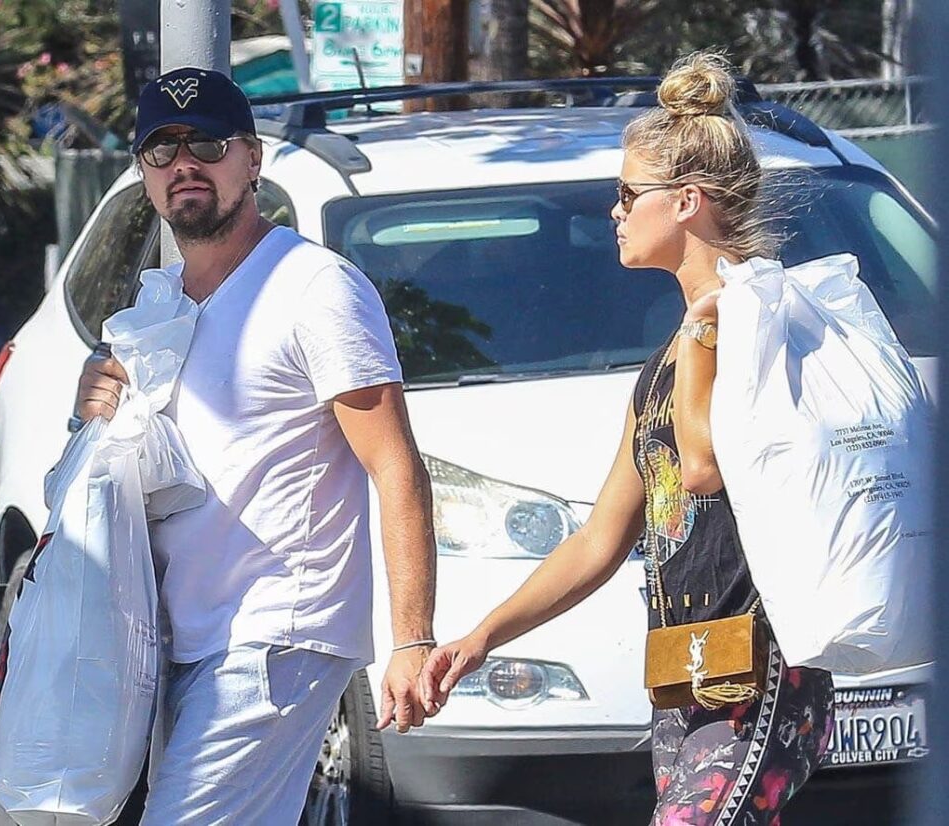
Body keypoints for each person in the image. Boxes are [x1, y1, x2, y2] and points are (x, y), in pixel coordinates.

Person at [421, 52, 834, 825]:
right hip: (686, 675)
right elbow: (599, 540)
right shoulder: (668, 361)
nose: (614, 211)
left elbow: (704, 467)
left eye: (627, 194)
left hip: (761, 675)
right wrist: (481, 637)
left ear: (686, 202)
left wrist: (706, 330)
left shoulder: (754, 322)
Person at [72, 67, 438, 825]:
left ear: (252, 159)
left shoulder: (314, 287)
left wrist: (413, 639)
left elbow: (396, 465)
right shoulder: (160, 303)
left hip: (277, 631)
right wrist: (94, 413)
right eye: (162, 149)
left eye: (206, 144)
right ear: (143, 173)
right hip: (178, 634)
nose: (184, 165)